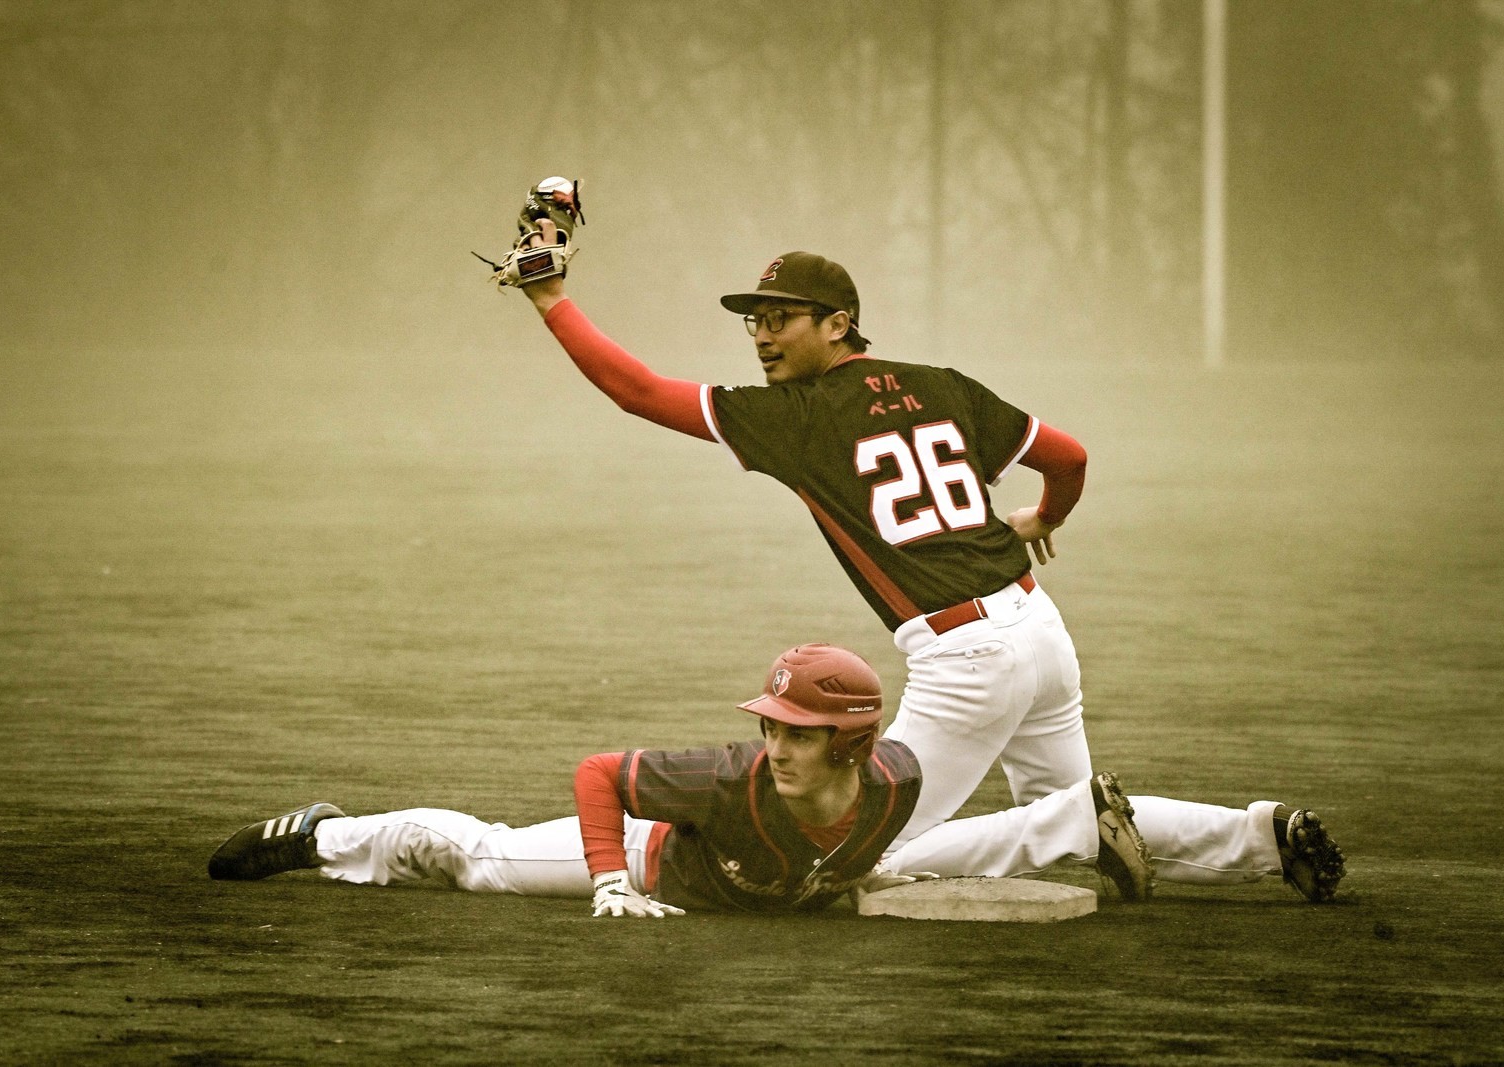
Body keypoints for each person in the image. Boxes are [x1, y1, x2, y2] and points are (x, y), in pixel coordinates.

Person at [510, 241, 1345, 902]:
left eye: (783, 317)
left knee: (868, 845)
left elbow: (637, 391)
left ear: (839, 322)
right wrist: (1045, 516)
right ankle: (1261, 836)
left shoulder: (795, 418)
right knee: (1058, 813)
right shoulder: (941, 384)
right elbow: (1070, 456)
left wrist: (551, 297)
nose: (761, 335)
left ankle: (1089, 824)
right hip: (1038, 629)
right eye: (754, 320)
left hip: (967, 661)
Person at [207, 643, 1160, 913]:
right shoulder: (725, 778)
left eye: (798, 730)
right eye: (772, 724)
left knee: (936, 858)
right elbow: (597, 772)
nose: (776, 742)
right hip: (655, 861)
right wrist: (611, 876)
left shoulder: (898, 786)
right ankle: (320, 834)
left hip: (747, 889)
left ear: (855, 745)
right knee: (475, 858)